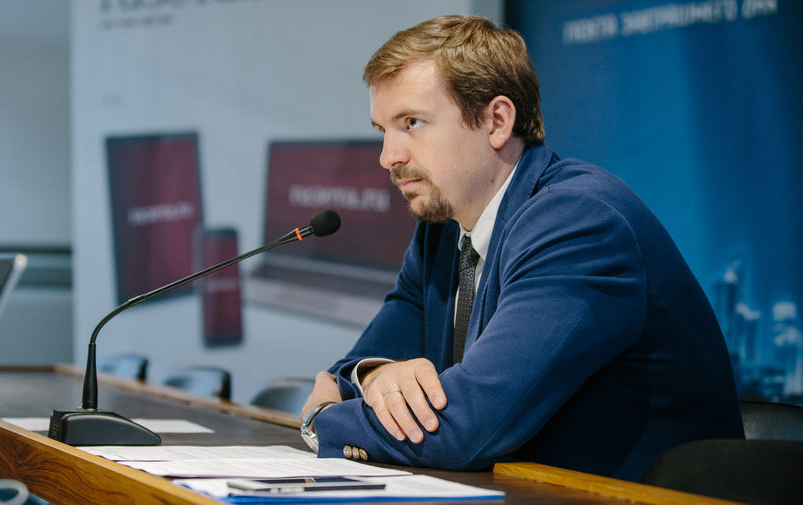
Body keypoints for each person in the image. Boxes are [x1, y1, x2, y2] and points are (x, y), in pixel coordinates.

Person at [299, 15, 743, 481]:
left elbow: (466, 427)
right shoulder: (442, 231)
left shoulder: (578, 223)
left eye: (412, 123)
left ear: (496, 121)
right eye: (383, 130)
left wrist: (322, 420)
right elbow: (350, 371)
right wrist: (375, 375)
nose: (388, 156)